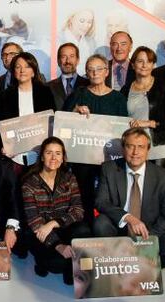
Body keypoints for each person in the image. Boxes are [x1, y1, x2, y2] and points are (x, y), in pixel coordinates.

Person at [93, 127, 165, 268]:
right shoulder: (109, 168)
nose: (135, 152)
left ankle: (141, 266)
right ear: (123, 149)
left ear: (148, 151)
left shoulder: (164, 176)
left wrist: (147, 240)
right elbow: (101, 202)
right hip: (121, 226)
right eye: (130, 146)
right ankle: (116, 264)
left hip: (150, 228)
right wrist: (128, 217)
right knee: (101, 223)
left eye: (141, 147)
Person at [64, 54, 128, 226]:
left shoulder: (118, 98)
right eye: (90, 70)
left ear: (106, 71)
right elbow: (63, 121)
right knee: (84, 194)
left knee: (110, 195)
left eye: (98, 69)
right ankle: (85, 228)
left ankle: (110, 228)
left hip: (110, 157)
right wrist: (75, 110)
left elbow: (123, 129)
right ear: (86, 73)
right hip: (83, 157)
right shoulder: (79, 94)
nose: (94, 73)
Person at [22, 136, 90, 284]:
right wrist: (58, 245)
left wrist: (53, 223)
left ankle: (71, 266)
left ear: (63, 157)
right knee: (56, 265)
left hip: (62, 226)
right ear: (41, 157)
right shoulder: (29, 184)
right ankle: (46, 261)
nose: (53, 157)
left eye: (58, 153)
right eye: (49, 153)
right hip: (41, 234)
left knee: (83, 230)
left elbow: (78, 211)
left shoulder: (69, 178)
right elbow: (35, 222)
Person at [120, 46, 165, 171]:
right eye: (140, 61)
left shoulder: (163, 87)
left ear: (153, 65)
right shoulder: (125, 90)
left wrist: (149, 123)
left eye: (149, 61)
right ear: (132, 64)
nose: (144, 65)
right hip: (134, 148)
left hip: (159, 147)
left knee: (159, 187)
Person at [47, 43, 89, 110]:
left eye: (71, 56)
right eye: (64, 57)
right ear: (58, 61)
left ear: (78, 60)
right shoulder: (47, 87)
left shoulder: (88, 84)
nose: (68, 61)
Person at [60, 9, 96, 76]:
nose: (86, 26)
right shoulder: (57, 40)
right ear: (71, 19)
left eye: (89, 22)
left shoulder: (91, 42)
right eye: (82, 21)